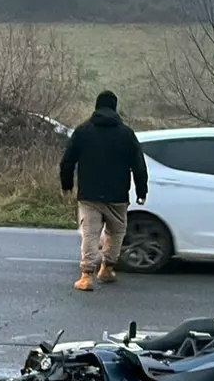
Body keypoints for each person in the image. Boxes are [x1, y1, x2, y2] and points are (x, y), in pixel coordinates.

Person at [59, 90, 149, 291]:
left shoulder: (83, 131)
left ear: (97, 106)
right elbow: (139, 165)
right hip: (118, 194)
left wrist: (67, 185)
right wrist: (141, 191)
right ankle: (107, 268)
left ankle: (86, 276)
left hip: (89, 193)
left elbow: (67, 161)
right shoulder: (126, 134)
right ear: (115, 107)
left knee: (90, 233)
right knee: (116, 232)